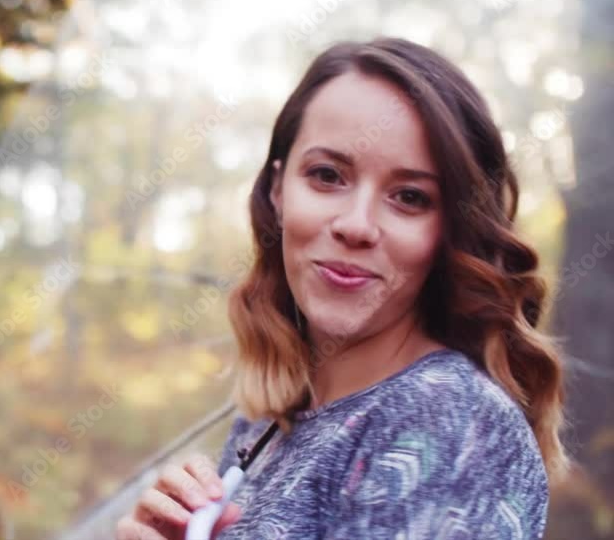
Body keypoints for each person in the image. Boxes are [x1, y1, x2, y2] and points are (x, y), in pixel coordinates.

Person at [115, 37, 570, 540]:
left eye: (410, 197)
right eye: (327, 175)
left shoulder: (455, 422)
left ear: (450, 230)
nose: (356, 225)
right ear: (277, 189)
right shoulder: (270, 423)